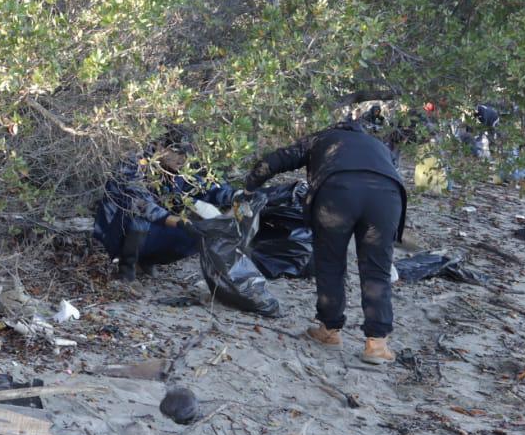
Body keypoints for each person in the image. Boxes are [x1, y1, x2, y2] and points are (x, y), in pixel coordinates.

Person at [243, 118, 407, 364]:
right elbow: (390, 168)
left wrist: (249, 186)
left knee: (330, 262)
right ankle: (377, 343)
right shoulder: (376, 144)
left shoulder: (321, 139)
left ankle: (329, 331)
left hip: (338, 193)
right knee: (377, 269)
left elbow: (278, 159)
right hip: (387, 196)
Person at [93, 125, 235, 281]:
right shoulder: (134, 163)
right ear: (160, 146)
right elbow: (142, 205)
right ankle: (126, 269)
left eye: (186, 154)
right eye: (178, 152)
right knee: (138, 219)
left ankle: (145, 261)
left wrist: (236, 196)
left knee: (201, 234)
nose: (183, 158)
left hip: (154, 227)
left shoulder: (176, 170)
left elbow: (202, 188)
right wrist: (180, 222)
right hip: (116, 229)